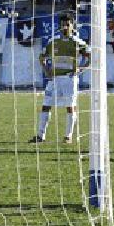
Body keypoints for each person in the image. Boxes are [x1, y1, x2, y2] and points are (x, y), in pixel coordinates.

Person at [29, 15, 90, 144]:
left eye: (68, 24)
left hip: (69, 79)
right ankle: (40, 136)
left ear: (72, 26)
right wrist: (47, 70)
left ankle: (68, 136)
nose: (65, 27)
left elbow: (91, 57)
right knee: (46, 105)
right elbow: (42, 58)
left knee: (70, 107)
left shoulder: (78, 42)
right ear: (59, 26)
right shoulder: (53, 41)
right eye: (63, 24)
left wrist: (81, 69)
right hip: (54, 79)